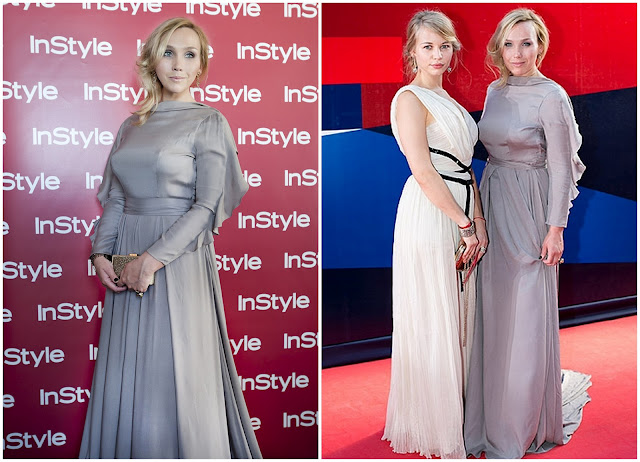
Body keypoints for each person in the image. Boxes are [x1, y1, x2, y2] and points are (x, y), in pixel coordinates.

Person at [80, 17, 262, 459]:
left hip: (177, 260)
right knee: (130, 372)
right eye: (168, 52)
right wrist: (101, 253)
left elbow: (207, 205)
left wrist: (152, 260)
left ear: (200, 66)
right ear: (152, 61)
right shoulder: (132, 125)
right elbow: (116, 197)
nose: (178, 64)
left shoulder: (209, 121)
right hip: (125, 256)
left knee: (175, 369)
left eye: (189, 54)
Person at [463, 8, 590, 459]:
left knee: (527, 315)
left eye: (527, 43)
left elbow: (562, 168)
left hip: (533, 207)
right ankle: (487, 420)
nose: (517, 53)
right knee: (496, 312)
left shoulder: (552, 96)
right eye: (509, 44)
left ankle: (518, 428)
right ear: (499, 47)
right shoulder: (495, 90)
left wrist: (556, 230)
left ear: (540, 47)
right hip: (494, 197)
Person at [381, 10, 488, 459]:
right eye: (428, 46)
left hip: (461, 207)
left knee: (460, 313)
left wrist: (479, 221)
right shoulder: (409, 99)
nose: (438, 54)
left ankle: (462, 414)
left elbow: (465, 168)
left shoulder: (449, 100)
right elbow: (424, 171)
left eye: (444, 46)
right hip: (430, 213)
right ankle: (435, 422)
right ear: (412, 51)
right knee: (435, 309)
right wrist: (463, 223)